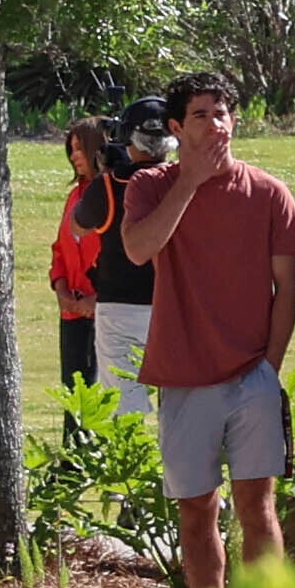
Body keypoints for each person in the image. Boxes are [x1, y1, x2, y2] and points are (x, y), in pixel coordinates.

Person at [122, 70, 295, 588]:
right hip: (182, 378)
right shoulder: (151, 186)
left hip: (252, 377)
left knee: (259, 510)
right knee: (197, 511)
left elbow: (289, 287)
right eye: (201, 114)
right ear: (176, 129)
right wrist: (189, 182)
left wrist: (270, 364)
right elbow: (138, 250)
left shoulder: (268, 192)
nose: (218, 125)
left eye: (224, 112)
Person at [83, 96, 168, 412]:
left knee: (124, 408)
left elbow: (79, 225)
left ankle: (128, 463)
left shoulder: (110, 184)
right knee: (178, 406)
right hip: (172, 305)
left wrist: (107, 171)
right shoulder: (187, 180)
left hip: (119, 305)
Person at [47, 119, 115, 414]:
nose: (74, 156)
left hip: (105, 311)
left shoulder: (112, 195)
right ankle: (72, 459)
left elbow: (120, 257)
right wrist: (61, 290)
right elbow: (60, 249)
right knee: (73, 397)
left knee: (100, 398)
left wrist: (95, 301)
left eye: (80, 149)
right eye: (70, 149)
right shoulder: (75, 196)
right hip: (72, 311)